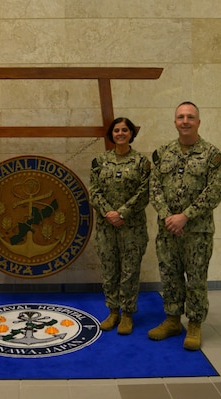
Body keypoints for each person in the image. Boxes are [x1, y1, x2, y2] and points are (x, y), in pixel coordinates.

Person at [148, 101, 221, 351]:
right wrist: (167, 216)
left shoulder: (213, 156)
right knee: (170, 277)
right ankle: (172, 320)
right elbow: (154, 188)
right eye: (180, 117)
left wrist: (185, 216)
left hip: (197, 233)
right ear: (174, 122)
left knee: (195, 279)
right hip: (168, 230)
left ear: (198, 122)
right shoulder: (163, 153)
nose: (185, 121)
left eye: (190, 117)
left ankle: (194, 324)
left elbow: (213, 193)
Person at [89, 117, 151, 335]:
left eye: (125, 130)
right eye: (117, 130)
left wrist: (122, 213)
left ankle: (127, 314)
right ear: (111, 134)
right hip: (107, 228)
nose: (121, 133)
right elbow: (94, 192)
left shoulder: (141, 163)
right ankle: (113, 311)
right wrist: (109, 213)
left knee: (129, 271)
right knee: (110, 270)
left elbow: (145, 192)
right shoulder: (100, 161)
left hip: (132, 228)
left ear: (131, 133)